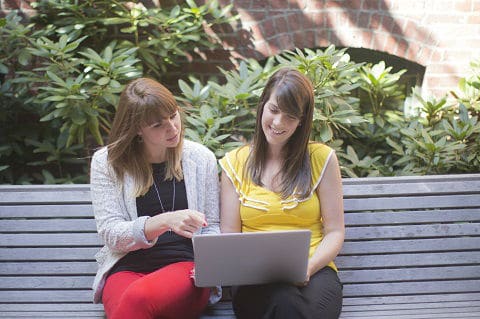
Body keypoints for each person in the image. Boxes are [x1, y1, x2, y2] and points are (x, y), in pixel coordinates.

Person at [90, 77, 220, 319]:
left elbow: (211, 225)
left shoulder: (201, 159)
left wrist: (208, 267)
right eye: (158, 125)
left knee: (136, 300)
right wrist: (164, 222)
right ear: (137, 128)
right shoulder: (107, 163)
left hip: (185, 270)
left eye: (173, 115)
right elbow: (110, 234)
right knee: (131, 302)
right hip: (126, 268)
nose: (172, 128)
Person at [219, 68, 345, 319]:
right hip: (253, 279)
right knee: (283, 301)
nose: (278, 123)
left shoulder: (322, 159)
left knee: (294, 308)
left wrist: (308, 268)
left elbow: (335, 231)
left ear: (301, 121)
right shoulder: (235, 163)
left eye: (289, 116)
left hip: (316, 271)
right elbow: (230, 239)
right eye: (274, 110)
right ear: (262, 106)